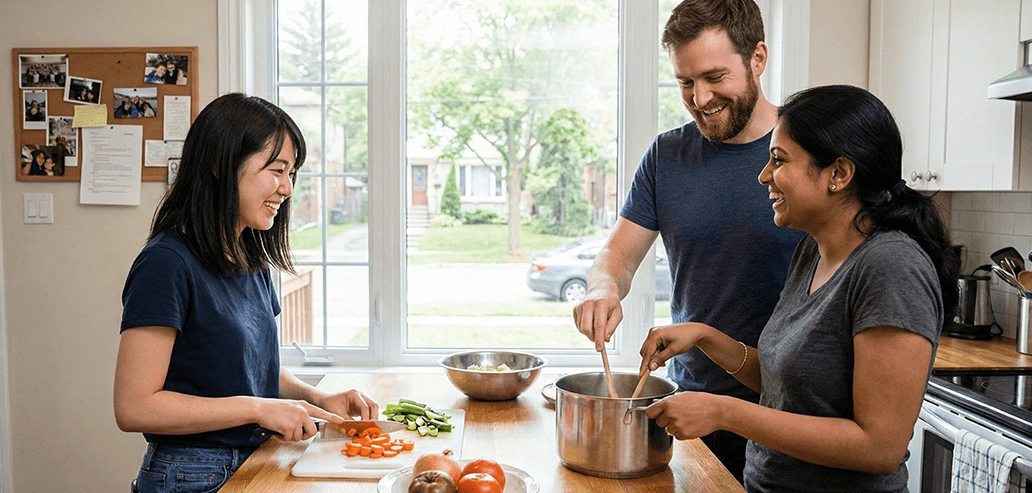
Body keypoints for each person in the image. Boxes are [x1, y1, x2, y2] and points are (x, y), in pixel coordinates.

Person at [637, 85, 958, 492]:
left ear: (838, 174)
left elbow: (880, 447)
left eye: (778, 160)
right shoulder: (814, 250)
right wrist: (705, 337)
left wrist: (723, 412)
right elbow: (788, 386)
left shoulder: (890, 267)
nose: (763, 175)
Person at [571, 0, 801, 480]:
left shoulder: (806, 156)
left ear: (758, 58)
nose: (700, 98)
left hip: (793, 416)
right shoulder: (668, 155)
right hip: (690, 408)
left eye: (715, 77)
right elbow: (619, 253)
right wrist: (602, 289)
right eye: (685, 82)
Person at [113, 93, 379, 493]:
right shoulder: (165, 264)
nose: (287, 188)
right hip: (192, 474)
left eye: (292, 173)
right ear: (221, 166)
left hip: (252, 460)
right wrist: (260, 409)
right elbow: (134, 406)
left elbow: (247, 366)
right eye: (277, 170)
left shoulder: (248, 256)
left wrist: (317, 398)